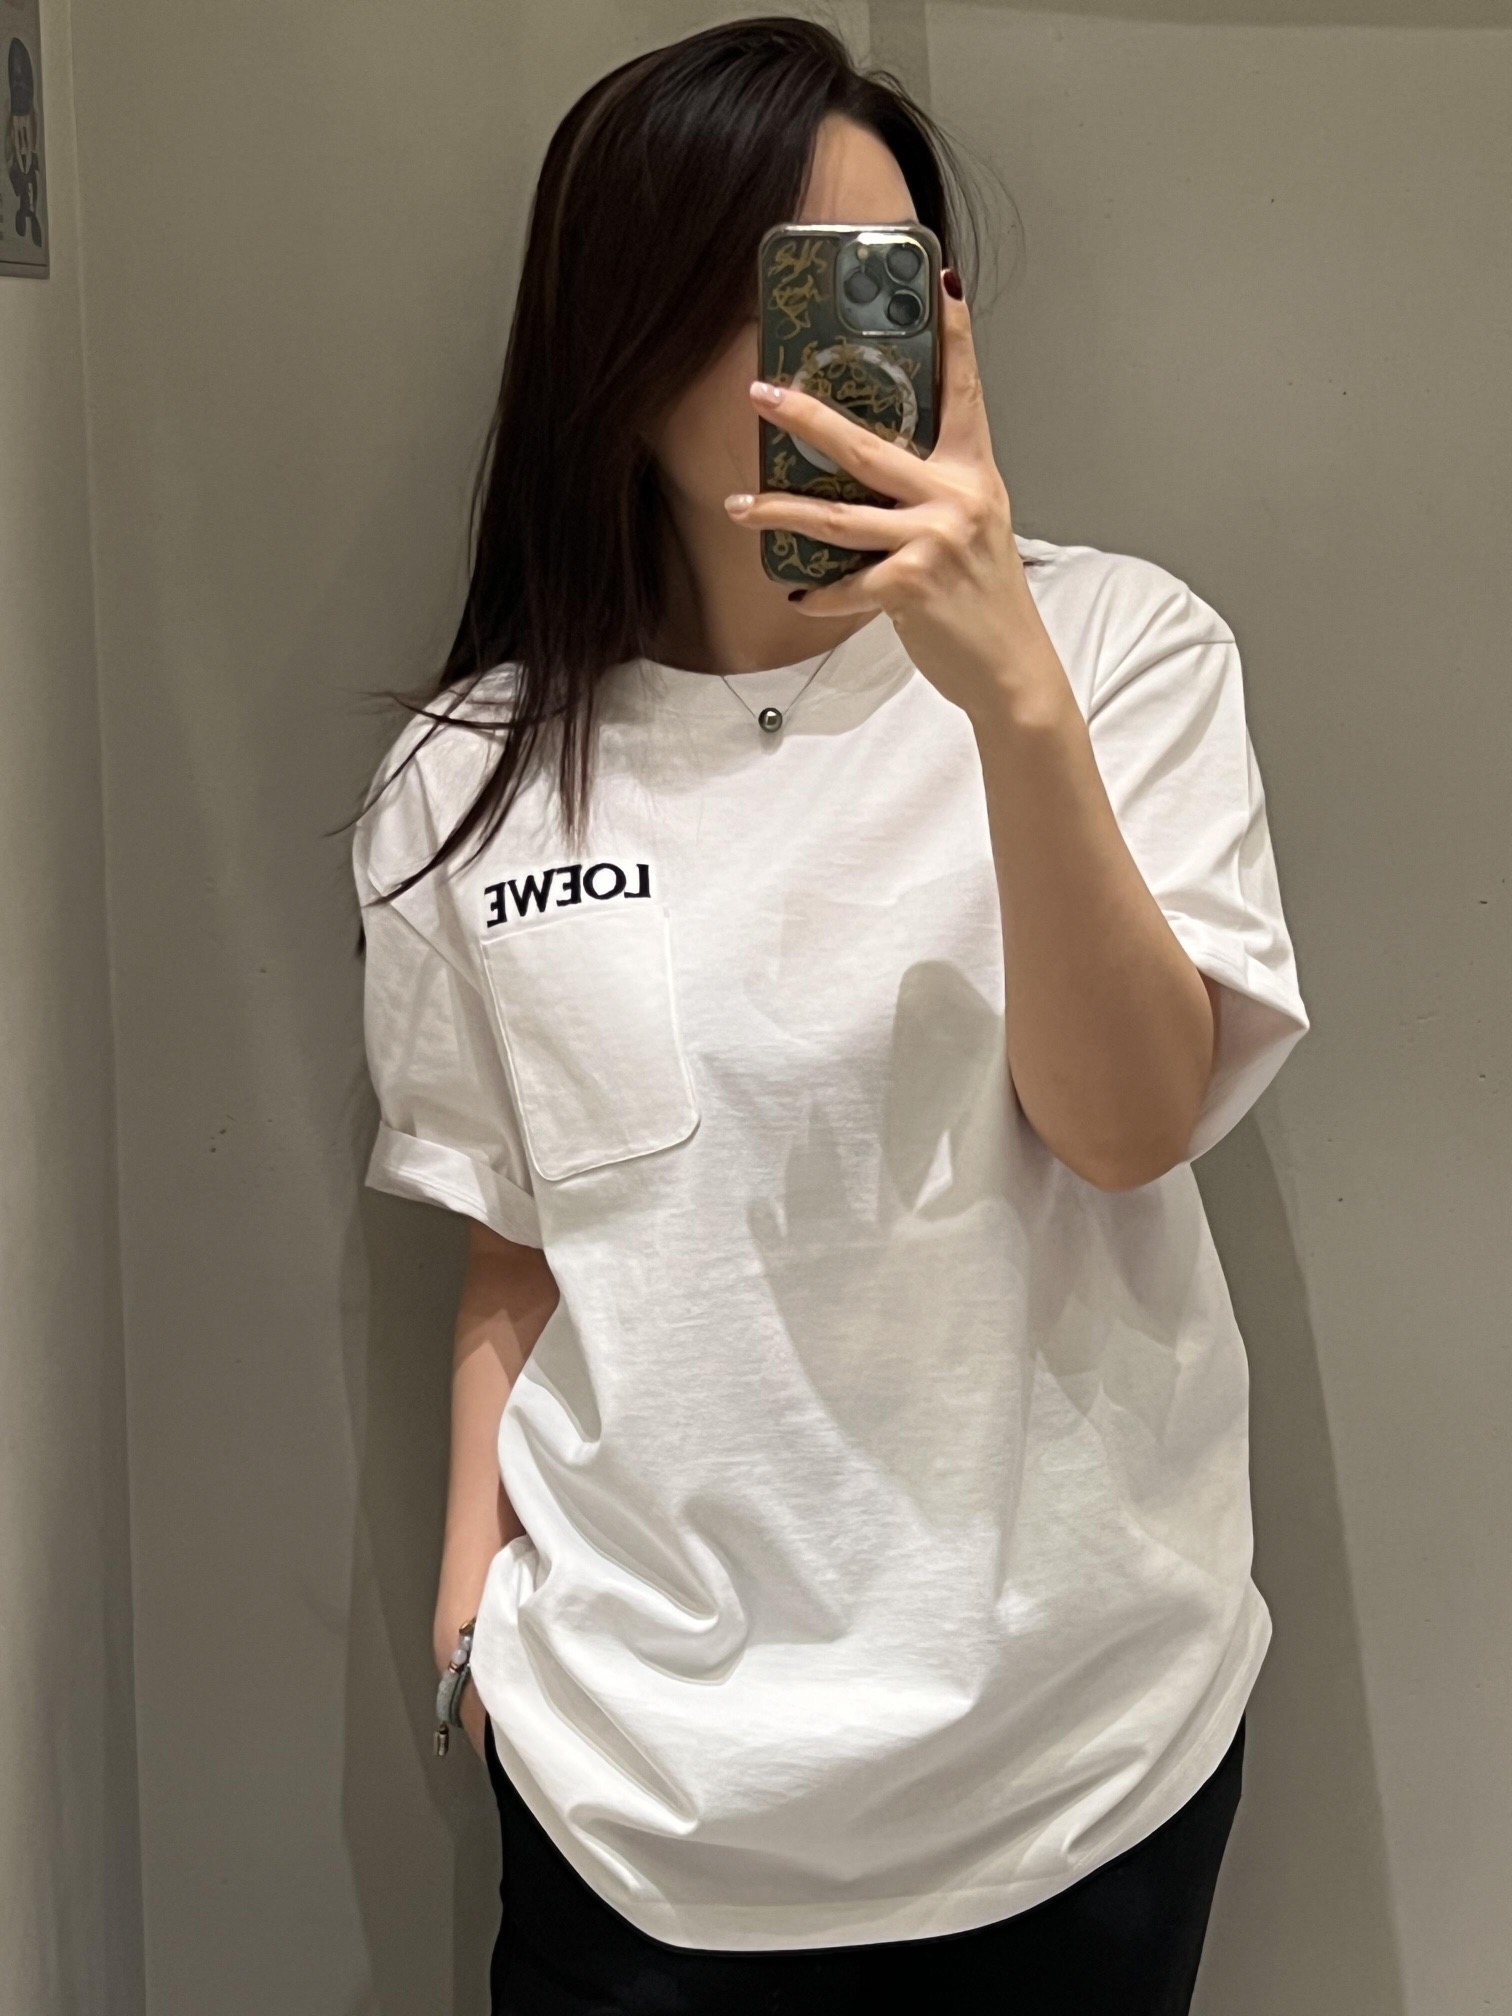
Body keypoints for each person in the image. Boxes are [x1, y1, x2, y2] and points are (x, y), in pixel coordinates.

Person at [349, 17, 1309, 2014]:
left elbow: (1127, 1126)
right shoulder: (469, 778)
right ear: (617, 343)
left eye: (877, 287)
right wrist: (469, 1616)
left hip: (1072, 1769)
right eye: (765, 288)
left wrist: (1009, 692)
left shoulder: (1123, 652)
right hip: (638, 1799)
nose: (830, 364)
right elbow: (520, 1236)